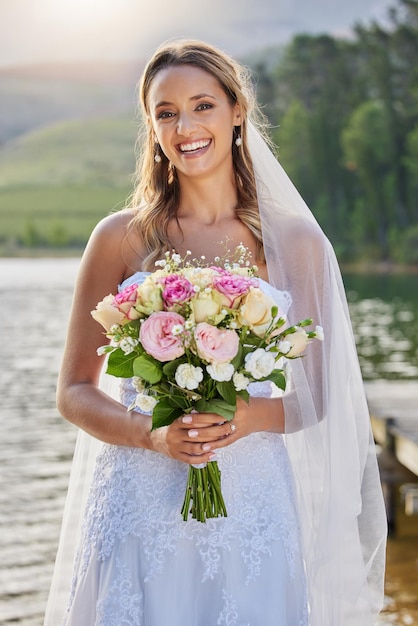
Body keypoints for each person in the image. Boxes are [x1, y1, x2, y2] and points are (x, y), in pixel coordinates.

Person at [44, 40, 387, 625]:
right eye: (166, 112)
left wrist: (249, 416)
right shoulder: (119, 238)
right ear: (152, 128)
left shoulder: (296, 242)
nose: (185, 126)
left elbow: (318, 396)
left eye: (202, 105)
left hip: (250, 503)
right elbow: (74, 392)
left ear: (236, 113)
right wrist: (148, 435)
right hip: (139, 497)